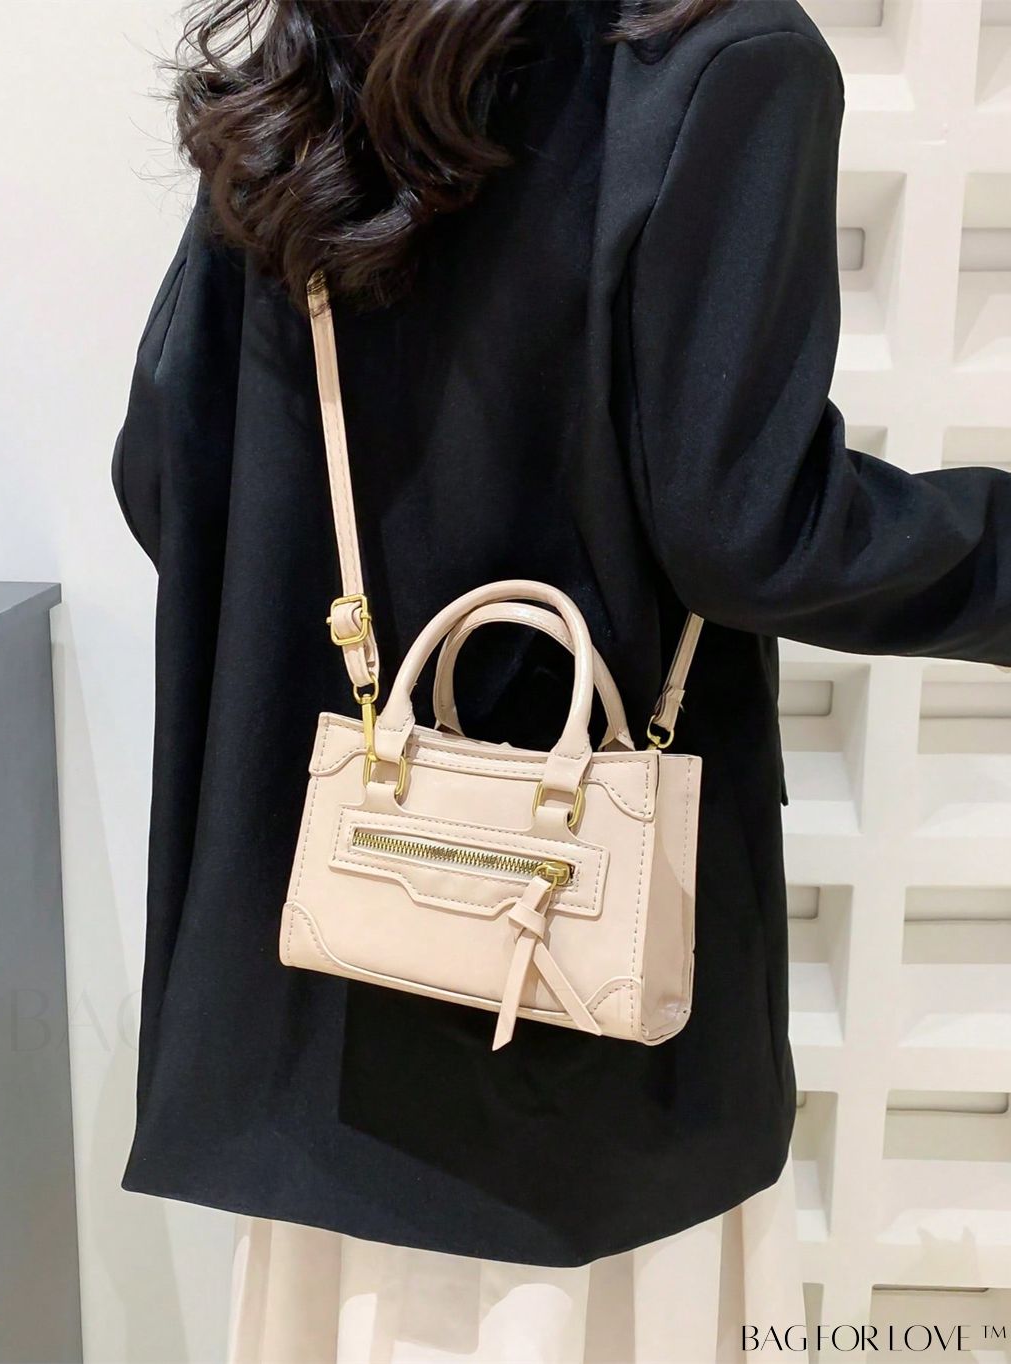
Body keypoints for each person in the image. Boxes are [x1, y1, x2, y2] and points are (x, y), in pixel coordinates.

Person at [112, 0, 1011, 1357]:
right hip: (578, 1011)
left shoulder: (323, 46)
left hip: (322, 999)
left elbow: (165, 473)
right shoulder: (726, 62)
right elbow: (749, 528)